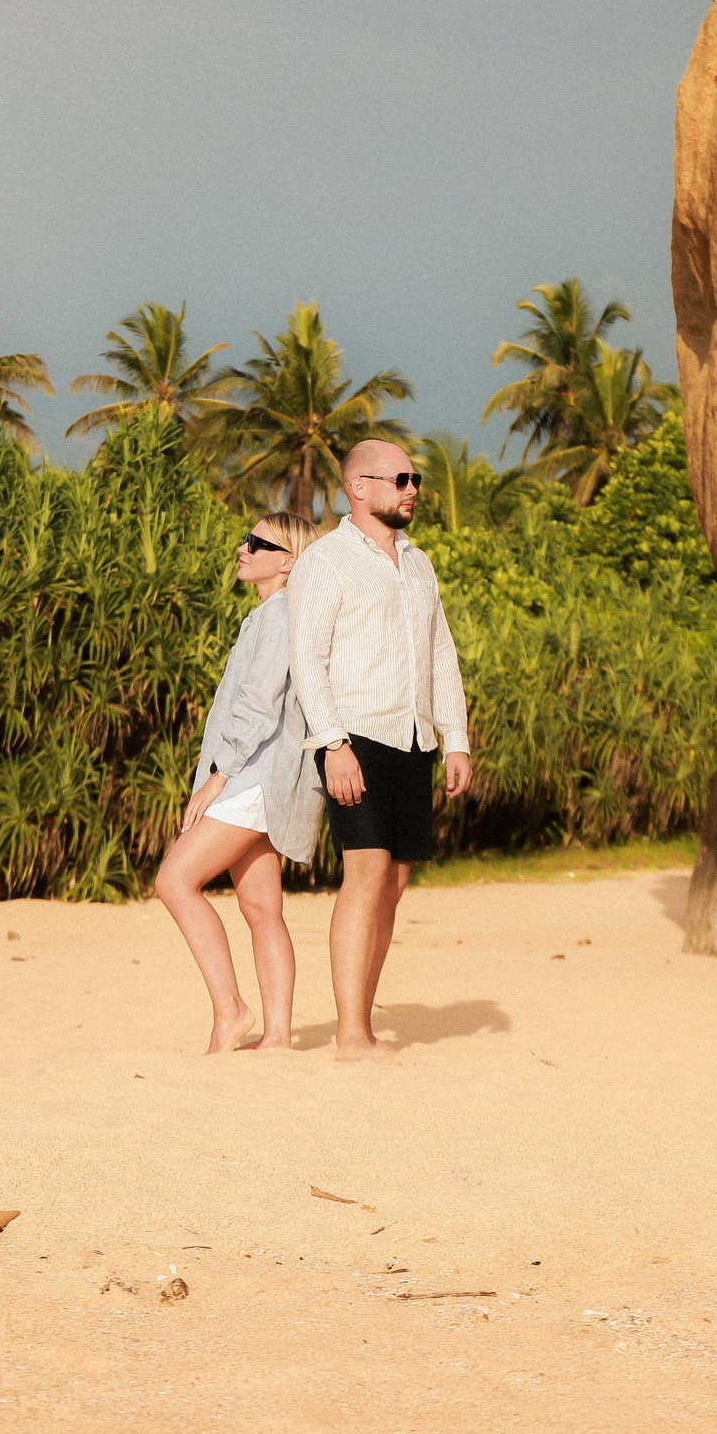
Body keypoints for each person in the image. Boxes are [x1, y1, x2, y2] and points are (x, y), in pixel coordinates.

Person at [288, 438, 473, 1062]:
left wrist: (457, 740)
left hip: (414, 737)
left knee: (394, 882)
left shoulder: (419, 565)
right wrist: (334, 745)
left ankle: (362, 1019)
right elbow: (307, 661)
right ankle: (351, 1036)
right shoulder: (328, 561)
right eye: (401, 479)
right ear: (359, 487)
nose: (413, 488)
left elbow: (440, 654)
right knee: (365, 873)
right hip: (355, 736)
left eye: (415, 477)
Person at [155, 513, 324, 1054]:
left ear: (288, 561)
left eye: (257, 543)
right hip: (261, 779)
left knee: (174, 882)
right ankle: (277, 1036)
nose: (242, 548)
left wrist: (214, 780)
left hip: (250, 780)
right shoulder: (270, 617)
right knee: (262, 909)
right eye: (246, 539)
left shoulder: (278, 618)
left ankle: (231, 1012)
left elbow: (257, 710)